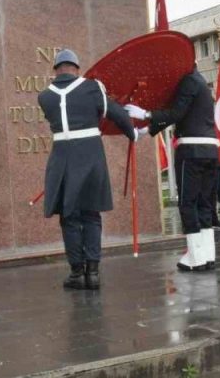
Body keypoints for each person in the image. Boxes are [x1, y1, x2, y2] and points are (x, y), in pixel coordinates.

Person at [39, 49, 139, 290]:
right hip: (91, 155)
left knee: (69, 216)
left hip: (62, 158)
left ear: (56, 70)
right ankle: (92, 273)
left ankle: (76, 272)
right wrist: (132, 132)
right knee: (91, 215)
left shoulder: (44, 97)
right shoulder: (92, 87)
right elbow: (115, 113)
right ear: (76, 67)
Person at [127, 65, 219, 272]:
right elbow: (183, 113)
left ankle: (196, 257)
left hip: (192, 149)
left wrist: (145, 114)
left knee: (188, 202)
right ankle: (207, 254)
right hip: (211, 149)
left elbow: (176, 113)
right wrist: (148, 130)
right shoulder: (200, 80)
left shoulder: (188, 81)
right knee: (205, 203)